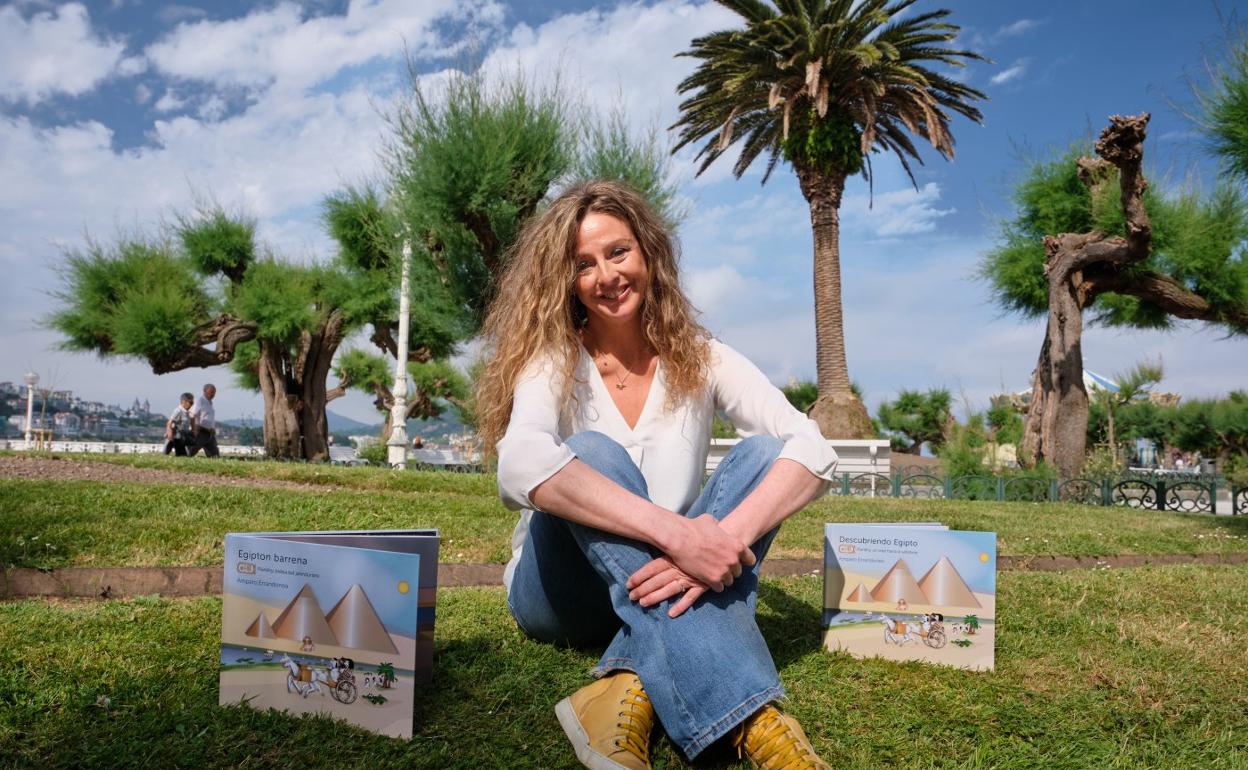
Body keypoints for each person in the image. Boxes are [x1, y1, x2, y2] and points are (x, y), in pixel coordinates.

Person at [475, 180, 838, 770]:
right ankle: (754, 717)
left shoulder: (702, 353)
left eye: (618, 252)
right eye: (582, 264)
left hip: (669, 582)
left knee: (767, 454)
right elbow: (519, 463)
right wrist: (677, 536)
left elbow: (813, 447)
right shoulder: (554, 358)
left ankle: (618, 685)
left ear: (648, 252)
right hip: (560, 595)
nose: (605, 275)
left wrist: (724, 536)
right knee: (590, 453)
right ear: (565, 280)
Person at [188, 383, 219, 458]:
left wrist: (212, 428)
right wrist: (193, 430)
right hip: (200, 432)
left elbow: (208, 418)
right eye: (211, 392)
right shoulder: (200, 401)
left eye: (214, 392)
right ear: (204, 391)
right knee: (189, 453)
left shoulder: (210, 403)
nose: (213, 394)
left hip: (210, 434)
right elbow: (192, 415)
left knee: (215, 456)